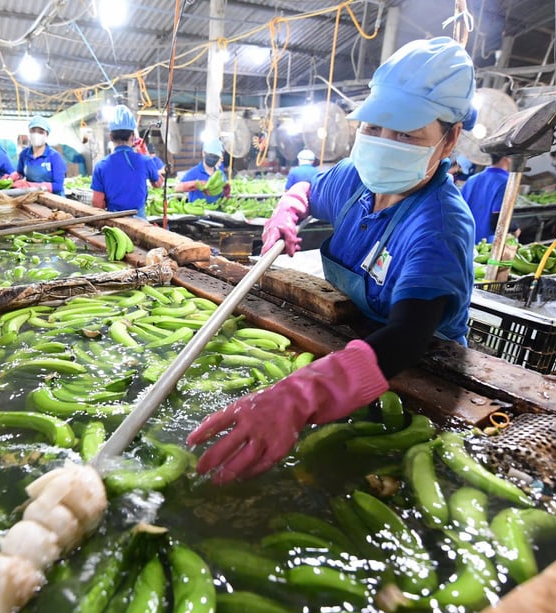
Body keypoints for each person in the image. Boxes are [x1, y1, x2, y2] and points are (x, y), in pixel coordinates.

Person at [187, 37, 477, 484]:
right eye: (374, 127)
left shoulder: (438, 227)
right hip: (349, 346)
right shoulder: (357, 179)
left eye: (406, 134)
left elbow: (408, 335)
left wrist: (304, 393)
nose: (384, 142)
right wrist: (286, 212)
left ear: (450, 138)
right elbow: (307, 191)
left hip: (418, 369)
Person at [90, 105, 164, 219]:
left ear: (111, 136)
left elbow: (97, 203)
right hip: (139, 221)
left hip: (114, 221)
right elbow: (157, 184)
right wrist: (146, 154)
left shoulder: (101, 166)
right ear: (133, 136)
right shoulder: (145, 160)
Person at [461, 154, 520, 244]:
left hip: (463, 238)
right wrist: (514, 229)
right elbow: (497, 220)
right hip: (483, 245)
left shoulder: (472, 179)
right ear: (506, 159)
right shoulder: (507, 181)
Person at [11, 116, 66, 194]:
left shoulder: (54, 157)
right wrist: (13, 177)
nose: (36, 135)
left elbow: (58, 186)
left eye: (41, 132)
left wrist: (30, 185)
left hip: (53, 198)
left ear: (47, 135)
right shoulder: (24, 154)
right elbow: (21, 173)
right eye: (33, 131)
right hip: (32, 197)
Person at [175, 138, 231, 203]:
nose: (213, 158)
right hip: (196, 211)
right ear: (203, 153)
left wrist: (226, 192)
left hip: (215, 210)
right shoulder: (194, 172)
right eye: (211, 155)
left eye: (215, 156)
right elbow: (177, 188)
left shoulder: (220, 174)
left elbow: (223, 195)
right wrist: (196, 185)